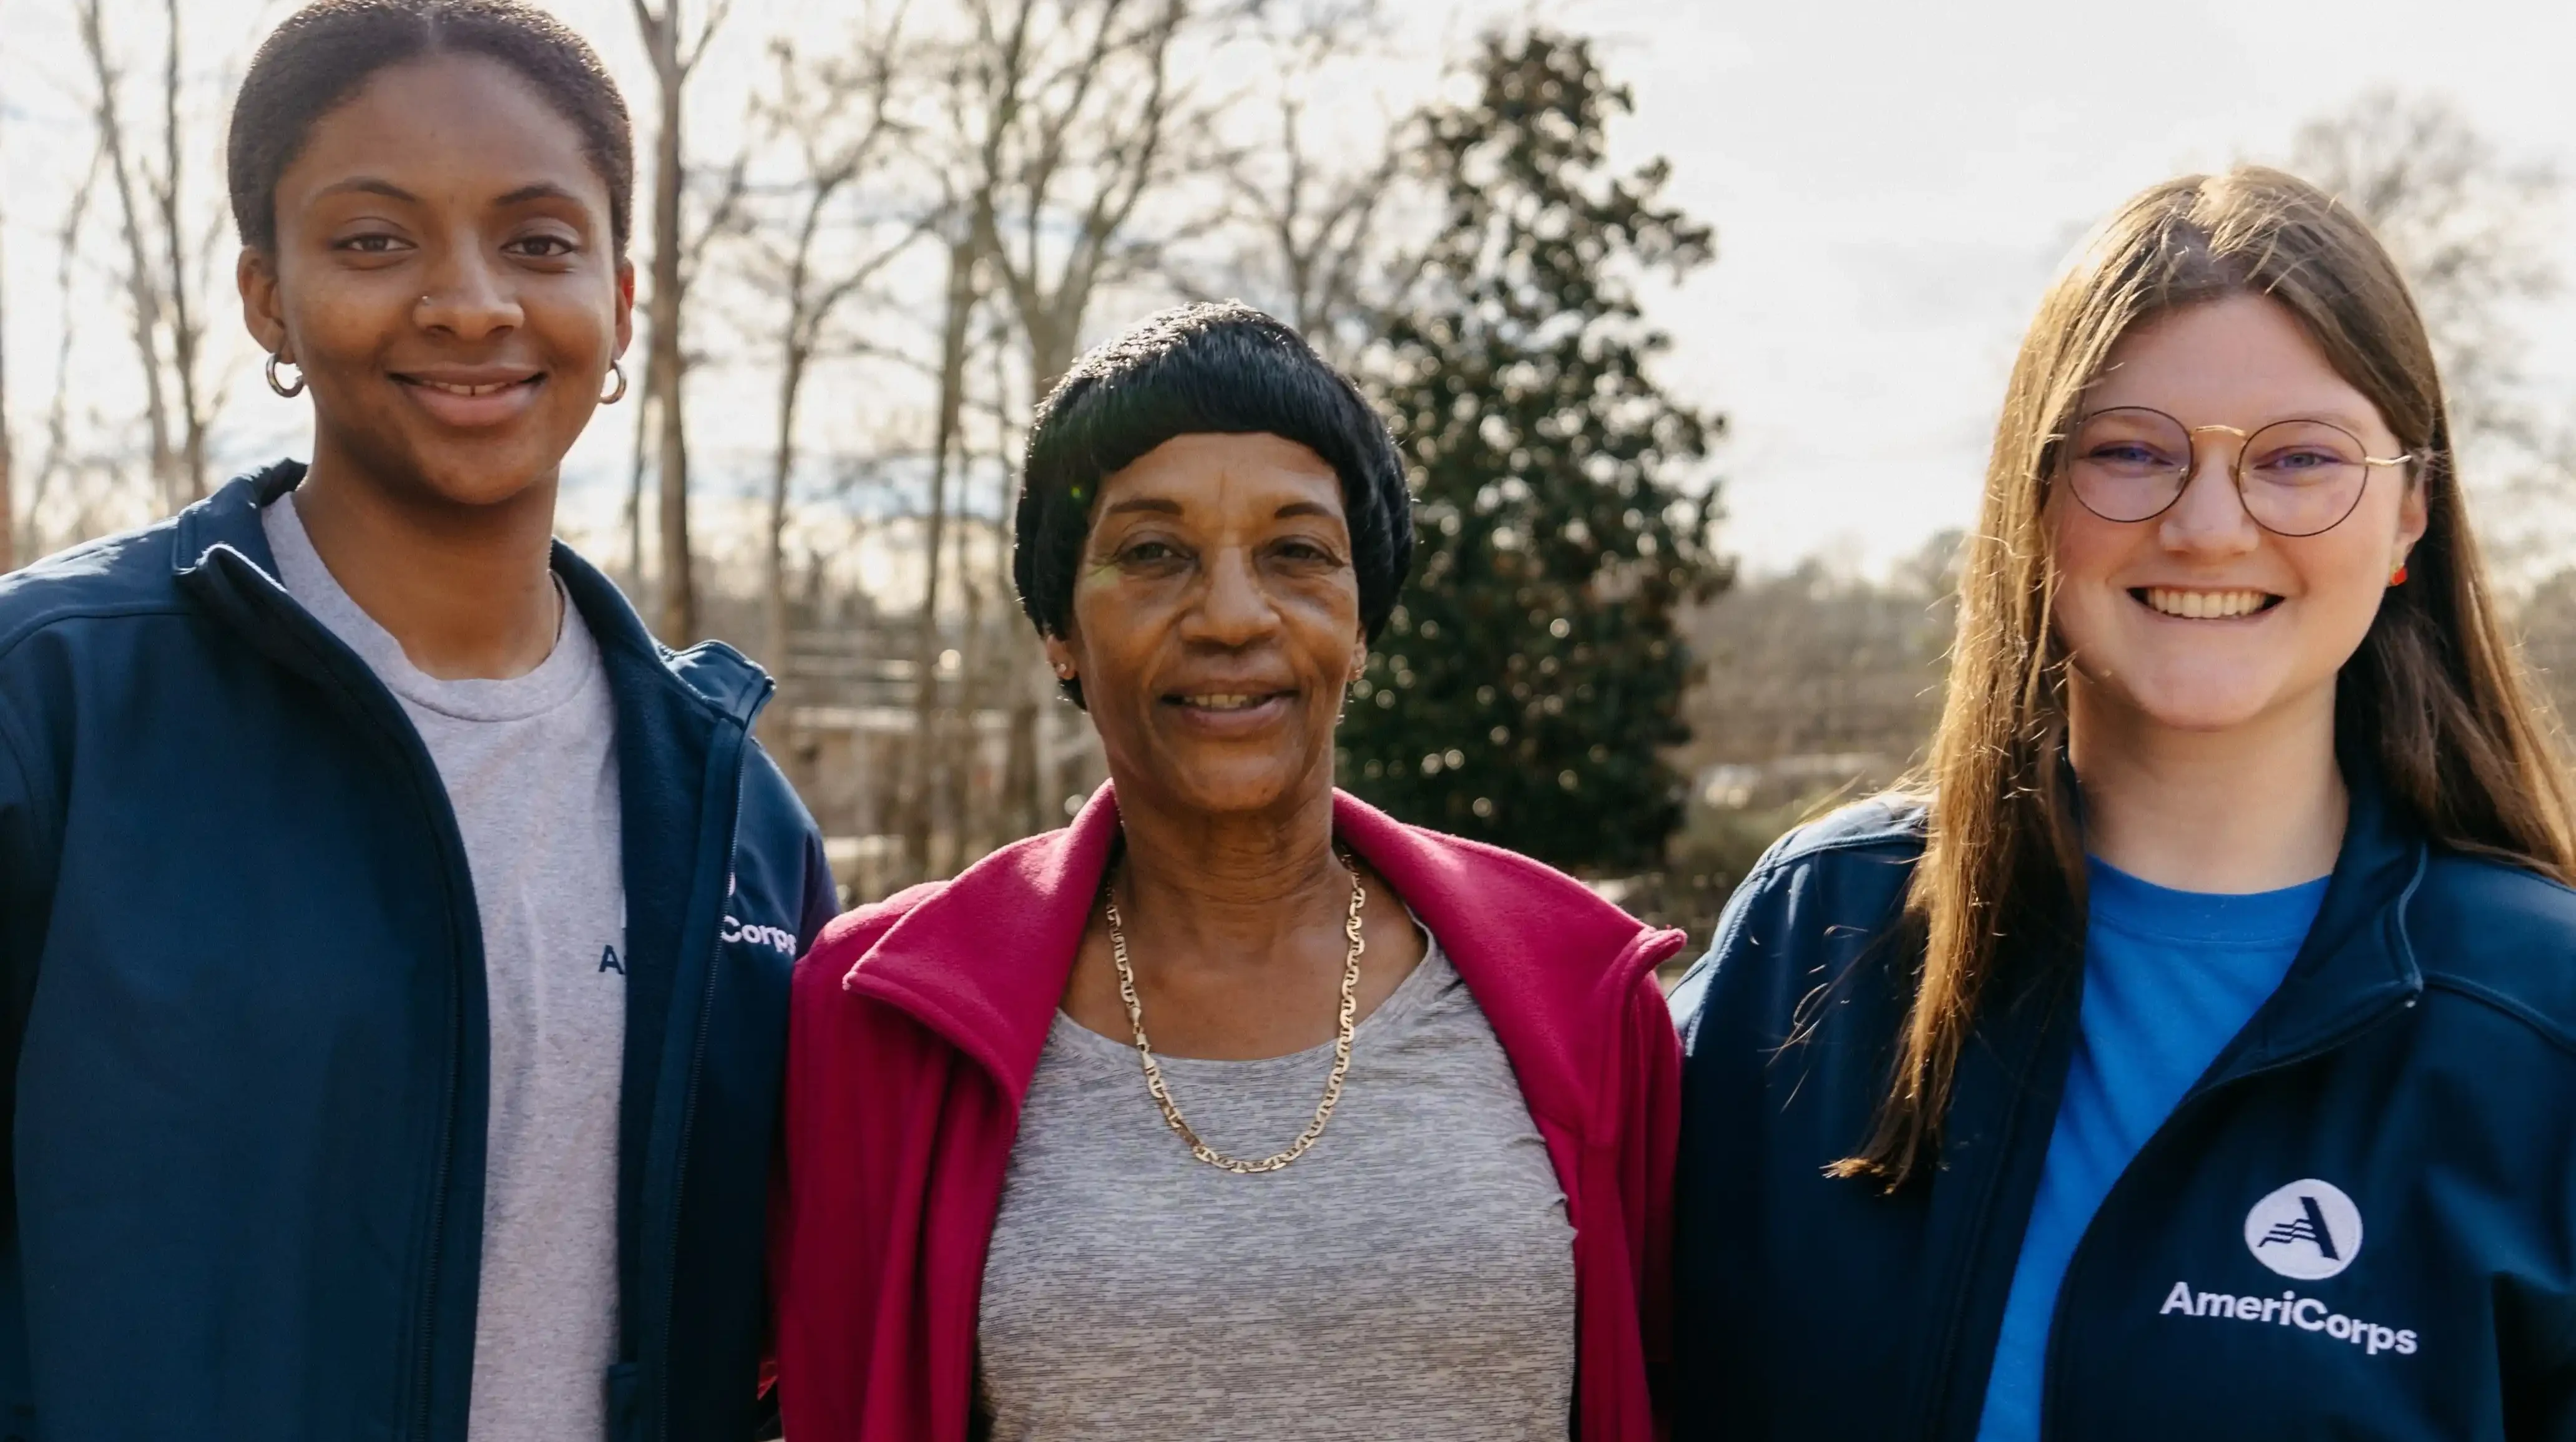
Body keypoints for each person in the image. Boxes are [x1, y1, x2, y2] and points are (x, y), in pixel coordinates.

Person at [0, 2, 837, 1437]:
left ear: (622, 302)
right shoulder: (52, 700)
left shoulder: (730, 813)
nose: (469, 305)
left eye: (537, 243)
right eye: (375, 241)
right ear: (268, 293)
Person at [1668, 165, 2576, 1440]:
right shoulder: (1817, 934)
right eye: (2128, 452)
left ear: (2407, 513)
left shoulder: (2541, 1023)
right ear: (2033, 503)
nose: (2207, 525)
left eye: (2300, 460)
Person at [770, 301, 1685, 1441]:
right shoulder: (875, 1022)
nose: (1233, 615)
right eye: (1153, 554)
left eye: (1296, 552)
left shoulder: (1583, 997)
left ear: (1360, 625)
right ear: (1060, 628)